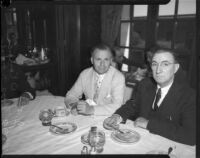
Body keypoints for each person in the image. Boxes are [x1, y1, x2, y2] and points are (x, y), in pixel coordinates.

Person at [103, 47, 196, 145]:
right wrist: (117, 116)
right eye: (155, 64)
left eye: (165, 64)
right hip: (140, 142)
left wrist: (149, 124)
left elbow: (191, 136)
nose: (158, 70)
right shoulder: (144, 84)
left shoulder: (189, 96)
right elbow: (132, 105)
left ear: (175, 68)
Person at [64, 44, 125, 116]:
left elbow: (118, 106)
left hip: (108, 118)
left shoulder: (118, 77)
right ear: (92, 60)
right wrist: (75, 106)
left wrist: (92, 109)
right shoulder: (85, 74)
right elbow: (71, 95)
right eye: (98, 59)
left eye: (106, 59)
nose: (102, 64)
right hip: (87, 118)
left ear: (111, 61)